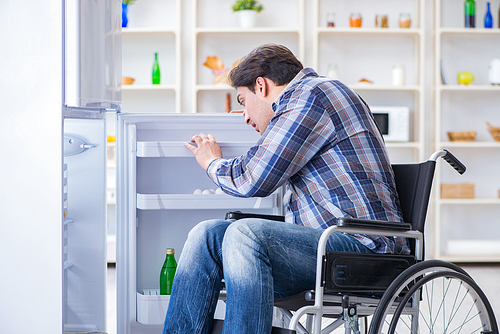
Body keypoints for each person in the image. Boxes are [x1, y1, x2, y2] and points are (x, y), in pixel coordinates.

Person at [162, 44, 410, 334]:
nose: (244, 114)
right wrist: (261, 116)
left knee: (245, 234)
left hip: (364, 250)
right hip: (328, 247)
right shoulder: (306, 100)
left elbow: (252, 178)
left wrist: (210, 162)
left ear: (261, 85)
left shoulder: (313, 95)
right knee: (206, 235)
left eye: (244, 101)